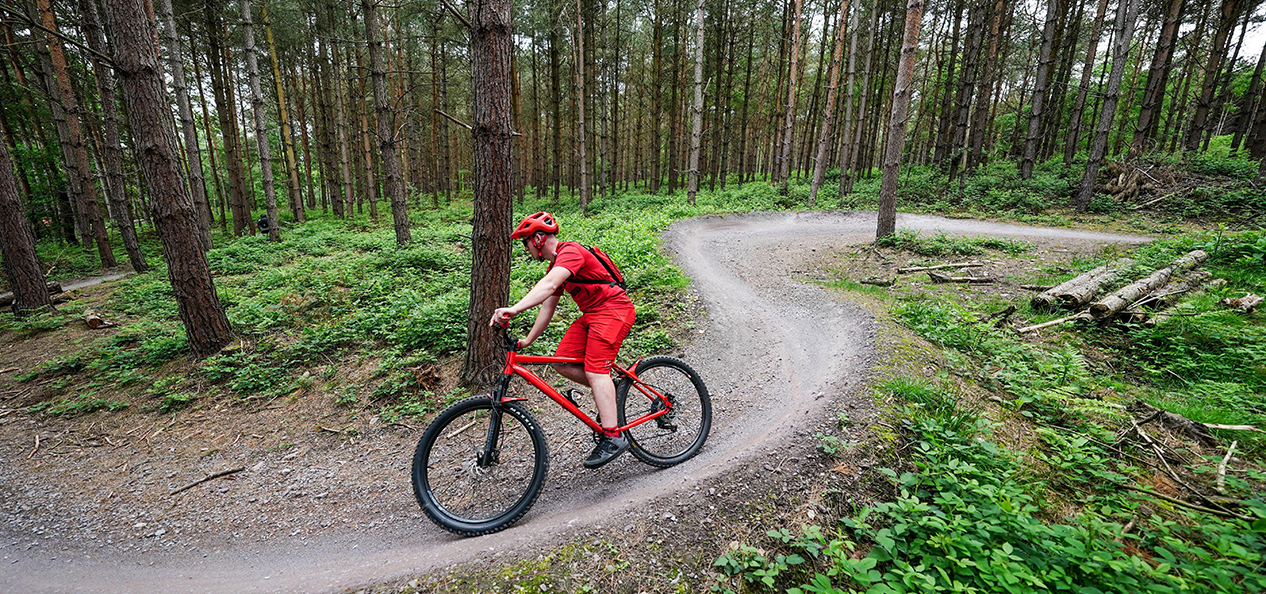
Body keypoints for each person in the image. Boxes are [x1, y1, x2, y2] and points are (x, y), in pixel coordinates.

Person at [490, 212, 636, 469]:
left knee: (595, 371)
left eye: (525, 243)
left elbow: (548, 286)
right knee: (562, 363)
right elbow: (548, 306)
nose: (526, 250)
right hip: (592, 315)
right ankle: (607, 389)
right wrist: (528, 340)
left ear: (537, 239)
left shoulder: (571, 251)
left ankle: (613, 436)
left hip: (614, 310)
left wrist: (513, 309)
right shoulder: (555, 266)